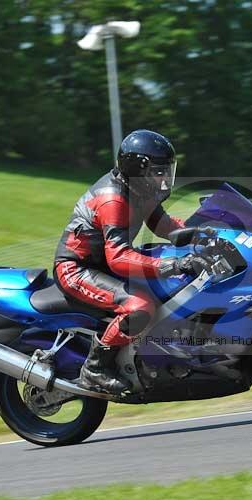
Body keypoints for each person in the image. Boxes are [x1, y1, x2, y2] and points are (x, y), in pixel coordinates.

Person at [54, 130, 209, 394]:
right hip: (78, 269)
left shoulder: (141, 189)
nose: (163, 178)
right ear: (137, 169)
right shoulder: (113, 199)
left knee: (173, 288)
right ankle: (95, 368)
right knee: (139, 307)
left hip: (103, 264)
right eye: (158, 171)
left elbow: (165, 226)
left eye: (166, 170)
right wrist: (172, 266)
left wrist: (204, 233)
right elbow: (118, 258)